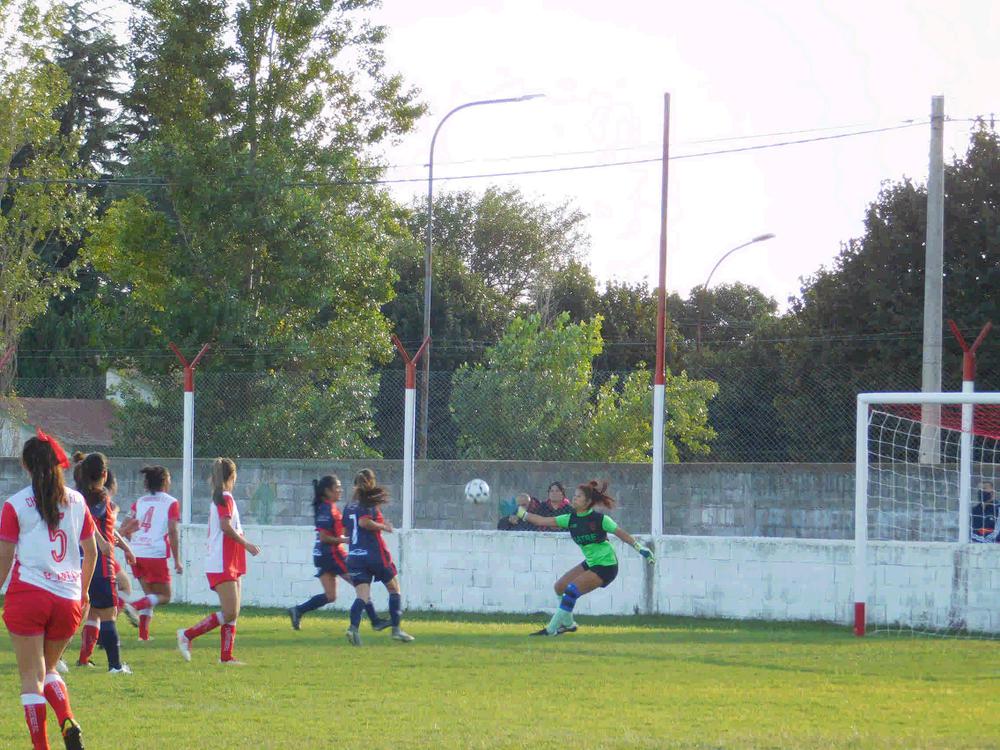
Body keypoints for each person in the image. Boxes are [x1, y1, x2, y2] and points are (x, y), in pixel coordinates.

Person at [0, 431, 97, 750]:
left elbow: (5, 556)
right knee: (49, 668)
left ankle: (41, 746)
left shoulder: (15, 505)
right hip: (67, 597)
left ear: (27, 467)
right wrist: (82, 593)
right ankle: (67, 719)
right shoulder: (79, 501)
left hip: (29, 595)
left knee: (31, 675)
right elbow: (91, 552)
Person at [515, 479, 655, 636]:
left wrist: (641, 548)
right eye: (574, 495)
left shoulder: (599, 519)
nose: (574, 498)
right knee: (560, 587)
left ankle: (550, 629)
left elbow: (621, 533)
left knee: (571, 591)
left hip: (606, 566)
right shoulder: (570, 518)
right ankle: (568, 624)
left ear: (588, 502)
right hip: (591, 563)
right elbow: (541, 520)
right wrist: (523, 514)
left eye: (579, 496)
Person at [176, 458, 260, 664]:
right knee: (230, 611)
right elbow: (225, 526)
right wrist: (247, 544)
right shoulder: (225, 498)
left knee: (234, 612)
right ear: (232, 477)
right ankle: (187, 635)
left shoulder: (223, 498)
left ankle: (226, 656)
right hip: (221, 561)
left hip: (229, 559)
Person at [287, 475, 387, 631]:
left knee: (330, 596)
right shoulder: (327, 509)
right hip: (332, 555)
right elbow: (324, 537)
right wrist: (344, 540)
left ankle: (298, 610)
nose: (340, 490)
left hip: (321, 555)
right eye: (337, 487)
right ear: (327, 491)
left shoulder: (328, 507)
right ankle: (375, 621)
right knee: (362, 585)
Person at [74, 452, 135, 674]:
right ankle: (116, 666)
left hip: (78, 565)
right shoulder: (99, 499)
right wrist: (102, 542)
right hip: (99, 567)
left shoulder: (77, 498)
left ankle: (72, 658)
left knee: (85, 612)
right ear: (104, 474)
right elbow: (94, 523)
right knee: (108, 615)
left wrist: (126, 548)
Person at [342, 469, 413, 645]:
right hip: (374, 554)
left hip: (355, 557)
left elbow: (346, 532)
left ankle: (353, 628)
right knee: (394, 588)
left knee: (362, 596)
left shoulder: (348, 506)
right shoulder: (368, 503)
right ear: (371, 482)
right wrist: (383, 527)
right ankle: (396, 630)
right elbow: (363, 522)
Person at [120, 465, 183, 640]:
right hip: (155, 553)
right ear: (164, 481)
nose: (171, 481)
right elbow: (172, 531)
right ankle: (134, 606)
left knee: (151, 596)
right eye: (169, 478)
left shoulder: (139, 502)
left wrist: (131, 539)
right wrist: (177, 560)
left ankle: (143, 636)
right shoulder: (172, 502)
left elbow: (124, 526)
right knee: (165, 596)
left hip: (136, 552)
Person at [500, 482, 573, 531]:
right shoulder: (541, 507)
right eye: (551, 491)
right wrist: (509, 520)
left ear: (562, 494)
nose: (554, 493)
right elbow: (531, 521)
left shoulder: (569, 510)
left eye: (557, 491)